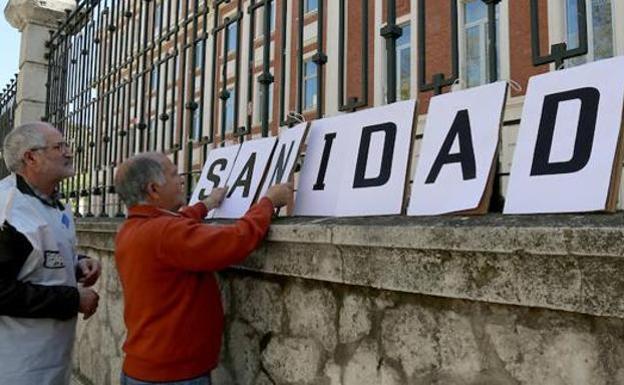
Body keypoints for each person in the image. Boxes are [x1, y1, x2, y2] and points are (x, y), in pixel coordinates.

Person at [114, 151, 293, 385]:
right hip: (173, 375)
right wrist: (268, 202)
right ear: (153, 190)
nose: (181, 180)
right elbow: (235, 240)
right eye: (174, 174)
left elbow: (175, 224)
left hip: (143, 368)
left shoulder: (132, 229)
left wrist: (206, 205)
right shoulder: (165, 233)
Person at [0, 122, 101, 385]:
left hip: (50, 362)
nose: (69, 152)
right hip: (15, 367)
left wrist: (78, 264)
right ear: (31, 157)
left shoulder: (55, 206)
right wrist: (73, 300)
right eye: (59, 146)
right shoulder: (8, 211)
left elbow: (39, 257)